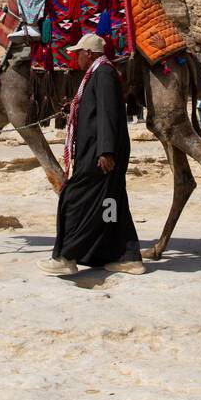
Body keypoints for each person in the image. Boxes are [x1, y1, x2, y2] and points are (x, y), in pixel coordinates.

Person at [38, 33, 145, 276]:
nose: (74, 57)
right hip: (99, 150)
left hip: (101, 154)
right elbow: (96, 110)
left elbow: (107, 113)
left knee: (73, 198)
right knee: (112, 202)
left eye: (77, 52)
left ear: (89, 53)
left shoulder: (103, 73)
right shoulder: (97, 74)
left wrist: (106, 152)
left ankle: (66, 256)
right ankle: (127, 256)